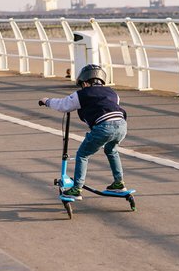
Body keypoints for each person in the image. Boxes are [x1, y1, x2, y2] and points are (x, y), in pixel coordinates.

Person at [39, 64, 128, 199]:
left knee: (82, 154)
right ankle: (119, 183)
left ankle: (77, 189)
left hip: (104, 127)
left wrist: (47, 101)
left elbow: (63, 105)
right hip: (122, 125)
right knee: (111, 150)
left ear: (85, 82)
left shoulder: (82, 94)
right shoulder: (112, 93)